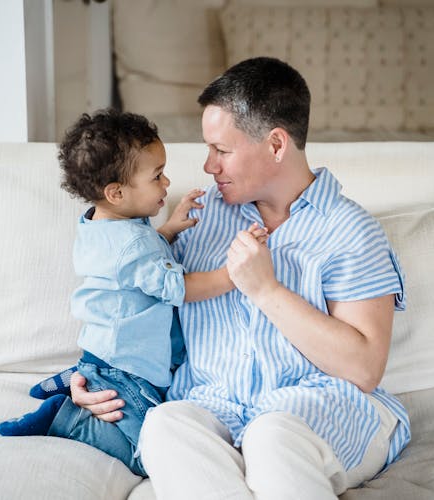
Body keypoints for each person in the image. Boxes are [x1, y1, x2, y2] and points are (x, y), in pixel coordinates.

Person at [38, 57, 410, 499]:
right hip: (211, 406)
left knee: (270, 437)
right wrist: (97, 382)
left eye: (222, 150)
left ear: (276, 145)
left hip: (316, 408)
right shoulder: (198, 216)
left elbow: (364, 368)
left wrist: (265, 289)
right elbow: (135, 308)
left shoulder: (348, 229)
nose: (209, 166)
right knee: (163, 425)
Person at [0, 109, 266, 477]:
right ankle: (66, 419)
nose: (167, 182)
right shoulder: (133, 245)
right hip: (127, 371)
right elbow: (179, 288)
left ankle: (77, 377)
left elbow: (138, 265)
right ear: (116, 192)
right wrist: (234, 273)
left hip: (106, 351)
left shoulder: (101, 225)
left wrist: (169, 229)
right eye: (157, 176)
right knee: (148, 455)